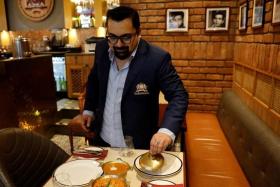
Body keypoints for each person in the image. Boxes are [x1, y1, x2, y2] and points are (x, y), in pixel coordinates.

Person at [81, 6, 188, 155]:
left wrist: (166, 131)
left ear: (138, 33)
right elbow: (94, 80)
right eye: (112, 37)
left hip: (138, 147)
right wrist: (89, 109)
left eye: (126, 37)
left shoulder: (156, 59)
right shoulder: (101, 49)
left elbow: (179, 95)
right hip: (102, 141)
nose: (118, 44)